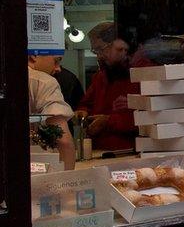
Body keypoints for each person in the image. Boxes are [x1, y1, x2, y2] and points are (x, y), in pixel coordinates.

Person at [77, 22, 139, 150]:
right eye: (95, 51)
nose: (98, 55)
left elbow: (150, 119)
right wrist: (82, 113)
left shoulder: (142, 74)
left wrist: (108, 121)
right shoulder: (100, 76)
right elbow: (86, 104)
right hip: (100, 152)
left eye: (100, 49)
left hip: (130, 153)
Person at [28, 63, 75, 169]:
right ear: (34, 56)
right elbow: (63, 141)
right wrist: (66, 182)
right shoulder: (43, 81)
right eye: (56, 60)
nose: (58, 68)